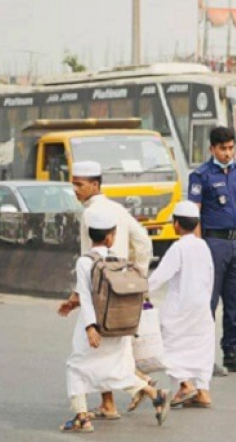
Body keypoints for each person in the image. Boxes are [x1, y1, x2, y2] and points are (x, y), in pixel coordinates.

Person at [57, 210, 170, 432]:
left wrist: (90, 327)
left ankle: (82, 418)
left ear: (90, 236)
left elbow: (87, 297)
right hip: (119, 327)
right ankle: (155, 394)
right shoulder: (119, 261)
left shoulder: (84, 262)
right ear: (111, 237)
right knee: (118, 370)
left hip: (95, 328)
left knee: (76, 367)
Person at [63, 160, 155, 418]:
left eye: (80, 185)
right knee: (114, 353)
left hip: (99, 293)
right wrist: (137, 279)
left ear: (95, 185)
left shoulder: (90, 215)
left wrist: (77, 296)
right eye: (73, 185)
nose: (76, 190)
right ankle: (110, 404)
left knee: (88, 352)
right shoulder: (118, 209)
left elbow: (87, 259)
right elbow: (144, 244)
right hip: (123, 293)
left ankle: (146, 390)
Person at [188, 126, 236, 374]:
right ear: (212, 149)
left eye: (231, 148)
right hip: (213, 244)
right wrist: (197, 249)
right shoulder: (201, 176)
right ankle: (204, 358)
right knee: (209, 303)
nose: (228, 153)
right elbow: (194, 214)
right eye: (223, 149)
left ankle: (231, 353)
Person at [147, 201, 215, 408]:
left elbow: (160, 276)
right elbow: (210, 276)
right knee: (202, 347)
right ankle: (203, 391)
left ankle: (185, 385)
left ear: (176, 224)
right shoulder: (203, 245)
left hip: (180, 307)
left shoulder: (178, 248)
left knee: (168, 347)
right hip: (201, 306)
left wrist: (141, 290)